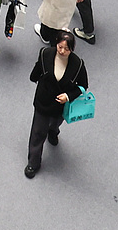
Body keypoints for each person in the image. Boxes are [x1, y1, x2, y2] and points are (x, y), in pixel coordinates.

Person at [23, 34, 86, 178]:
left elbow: (83, 85)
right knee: (38, 133)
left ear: (72, 49)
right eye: (60, 47)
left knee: (55, 123)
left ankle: (53, 131)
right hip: (43, 102)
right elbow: (37, 71)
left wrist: (68, 96)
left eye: (66, 49)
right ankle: (33, 163)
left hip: (60, 106)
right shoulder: (45, 54)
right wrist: (34, 77)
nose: (62, 51)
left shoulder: (78, 64)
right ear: (56, 44)